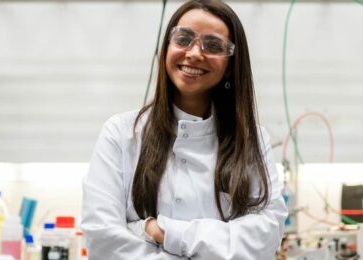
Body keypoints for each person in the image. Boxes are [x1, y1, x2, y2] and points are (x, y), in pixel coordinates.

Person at [81, 0, 287, 259]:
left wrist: (162, 232)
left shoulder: (252, 140)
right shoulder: (121, 134)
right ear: (167, 47)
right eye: (184, 39)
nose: (194, 53)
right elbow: (103, 240)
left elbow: (264, 238)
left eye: (213, 46)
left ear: (230, 66)